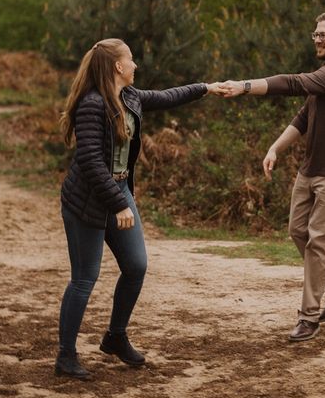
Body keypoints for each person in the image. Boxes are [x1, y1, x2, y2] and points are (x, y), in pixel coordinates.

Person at [55, 38, 225, 379]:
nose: (136, 65)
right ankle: (66, 356)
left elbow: (166, 97)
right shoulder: (92, 105)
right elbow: (88, 160)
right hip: (87, 200)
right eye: (131, 60)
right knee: (84, 279)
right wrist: (119, 203)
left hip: (117, 190)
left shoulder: (130, 97)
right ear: (118, 66)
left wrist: (206, 87)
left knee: (136, 266)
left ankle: (115, 337)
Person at [222, 12, 325, 342]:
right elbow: (304, 116)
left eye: (324, 35)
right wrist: (275, 148)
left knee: (319, 240)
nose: (317, 39)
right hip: (312, 167)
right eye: (315, 34)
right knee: (298, 230)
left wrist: (243, 86)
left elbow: (291, 83)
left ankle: (309, 315)